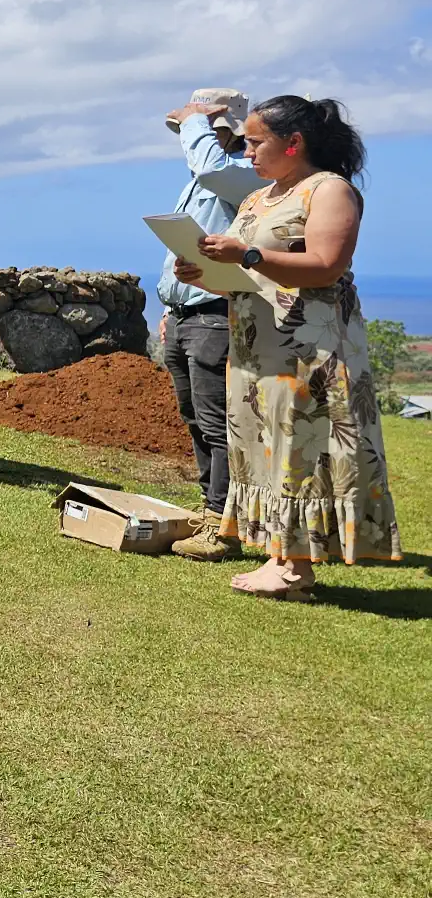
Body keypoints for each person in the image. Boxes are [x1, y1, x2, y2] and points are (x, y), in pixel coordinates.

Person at [177, 97, 402, 600]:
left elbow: (326, 265)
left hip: (309, 349)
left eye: (256, 142)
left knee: (303, 450)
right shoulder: (260, 199)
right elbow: (245, 277)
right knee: (268, 449)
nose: (246, 151)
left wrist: (248, 252)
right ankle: (279, 556)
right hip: (258, 347)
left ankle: (297, 570)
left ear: (293, 143)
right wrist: (206, 273)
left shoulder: (328, 190)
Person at [156, 88, 266, 559]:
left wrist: (195, 119)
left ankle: (226, 523)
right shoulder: (208, 178)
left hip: (215, 316)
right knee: (196, 418)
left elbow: (211, 167)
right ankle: (210, 509)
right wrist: (169, 308)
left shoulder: (242, 176)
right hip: (186, 316)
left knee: (219, 422)